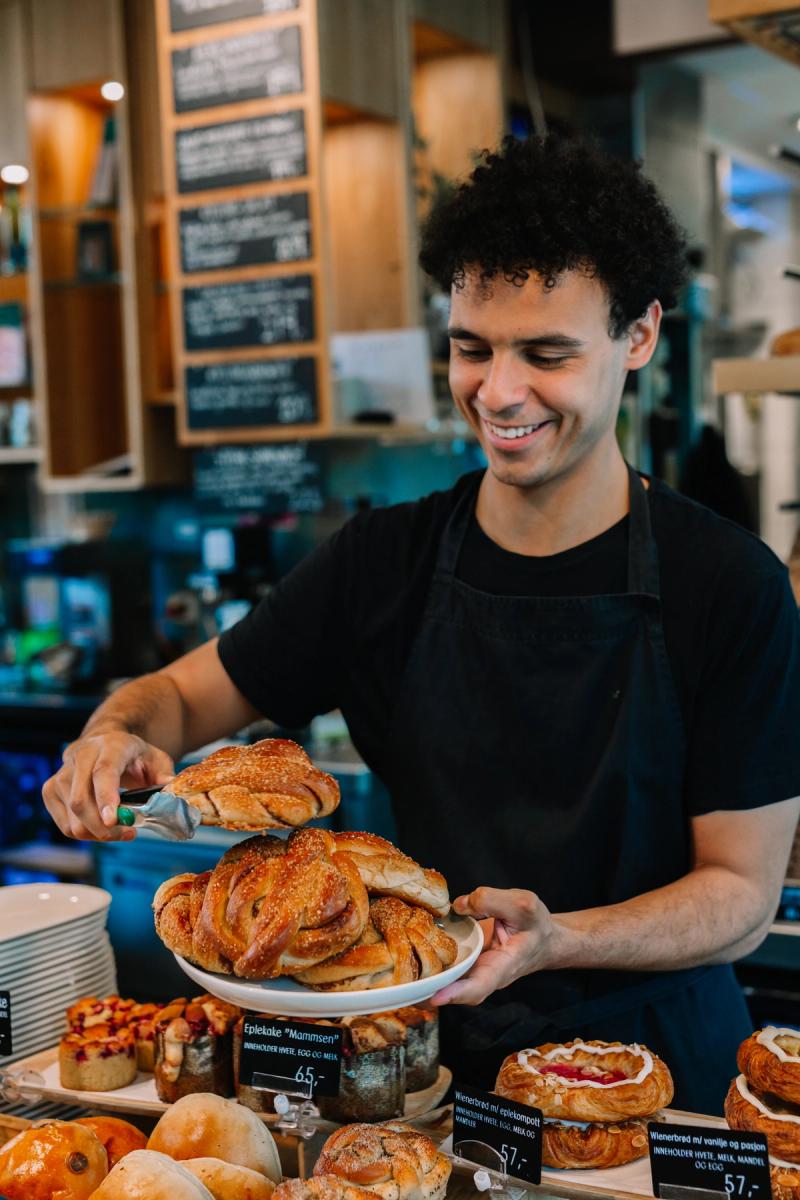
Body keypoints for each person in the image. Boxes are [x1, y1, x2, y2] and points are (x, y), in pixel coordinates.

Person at [43, 135, 800, 1115]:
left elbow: (739, 899)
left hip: (656, 1085)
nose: (497, 392)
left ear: (639, 336)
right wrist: (112, 734)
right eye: (470, 348)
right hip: (425, 1075)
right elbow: (183, 695)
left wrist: (557, 938)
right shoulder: (379, 563)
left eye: (545, 354)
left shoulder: (727, 584)